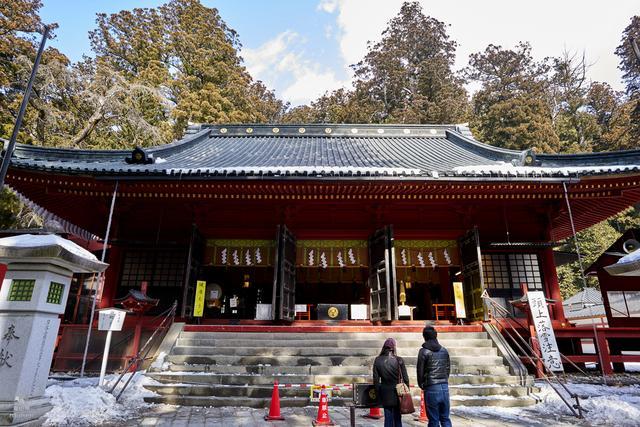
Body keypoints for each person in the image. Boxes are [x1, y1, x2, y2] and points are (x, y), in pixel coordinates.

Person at [416, 325, 451, 427]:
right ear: (436, 336)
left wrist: (422, 384)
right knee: (445, 418)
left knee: (433, 420)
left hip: (431, 387)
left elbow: (420, 370)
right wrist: (444, 380)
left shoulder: (423, 351)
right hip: (444, 387)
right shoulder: (444, 350)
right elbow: (447, 369)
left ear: (424, 336)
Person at [373, 337, 409, 427]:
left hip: (385, 391)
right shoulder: (399, 360)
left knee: (388, 417)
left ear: (384, 347)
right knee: (397, 418)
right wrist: (406, 390)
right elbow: (406, 378)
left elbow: (376, 380)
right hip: (398, 391)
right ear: (394, 348)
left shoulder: (377, 360)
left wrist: (378, 394)